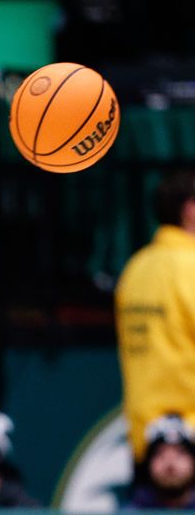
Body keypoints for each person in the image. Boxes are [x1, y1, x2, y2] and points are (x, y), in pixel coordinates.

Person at [115, 169, 195, 466]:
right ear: (190, 210)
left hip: (146, 442)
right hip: (189, 444)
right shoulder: (191, 267)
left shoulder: (135, 268)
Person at [125, 414, 195, 509]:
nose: (170, 463)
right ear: (147, 464)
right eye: (160, 454)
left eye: (180, 453)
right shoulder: (129, 511)